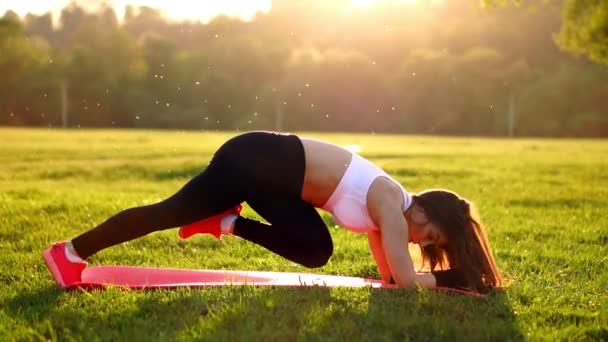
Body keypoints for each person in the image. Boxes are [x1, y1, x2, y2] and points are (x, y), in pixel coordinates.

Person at [44, 131, 501, 293]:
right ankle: (70, 252)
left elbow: (390, 279)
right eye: (434, 237)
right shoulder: (391, 202)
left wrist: (447, 275)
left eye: (434, 246)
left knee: (316, 249)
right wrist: (447, 279)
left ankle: (224, 221)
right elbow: (405, 281)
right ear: (426, 211)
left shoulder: (390, 215)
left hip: (275, 182)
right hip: (254, 160)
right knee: (167, 212)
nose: (424, 244)